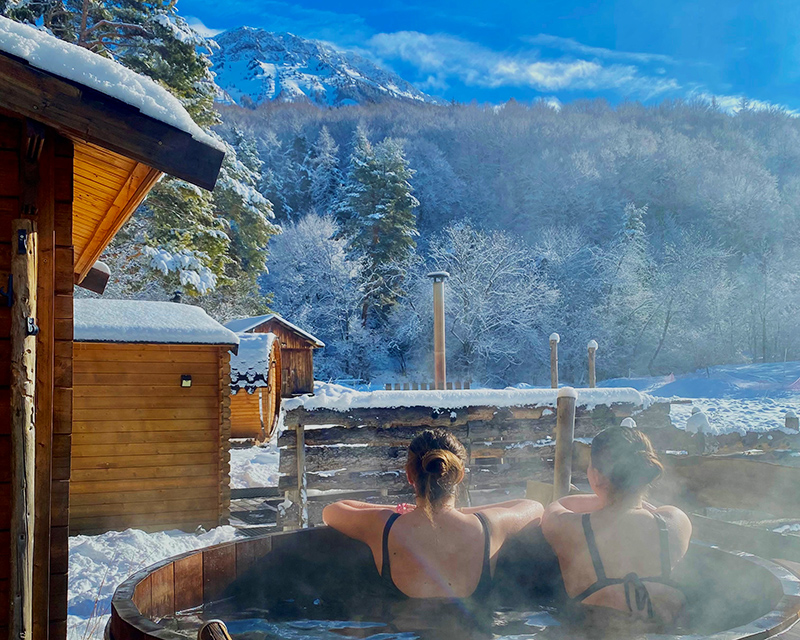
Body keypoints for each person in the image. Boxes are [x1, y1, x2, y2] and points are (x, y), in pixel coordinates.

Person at [322, 428, 544, 599]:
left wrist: (396, 511)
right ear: (459, 476)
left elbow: (331, 511)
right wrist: (462, 512)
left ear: (409, 476)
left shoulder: (383, 526)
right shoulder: (491, 525)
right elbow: (534, 507)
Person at [541, 426, 692, 627]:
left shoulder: (571, 526)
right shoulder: (676, 521)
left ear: (595, 475)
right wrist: (633, 500)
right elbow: (651, 510)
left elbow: (558, 506)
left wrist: (602, 499)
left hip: (597, 628)